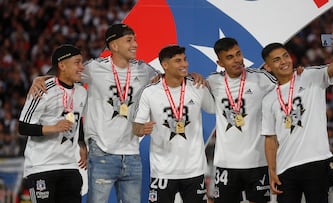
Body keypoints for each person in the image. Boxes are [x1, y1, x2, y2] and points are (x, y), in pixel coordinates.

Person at [29, 23, 205, 203]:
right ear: (113, 46)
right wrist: (41, 78)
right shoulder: (94, 68)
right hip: (101, 153)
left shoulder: (143, 70)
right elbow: (64, 74)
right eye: (129, 40)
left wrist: (192, 76)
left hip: (132, 154)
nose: (135, 44)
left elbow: (167, 77)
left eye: (135, 39)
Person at [261, 32, 333, 203]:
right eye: (276, 59)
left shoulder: (309, 76)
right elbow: (270, 139)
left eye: (285, 56)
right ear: (268, 67)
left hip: (316, 162)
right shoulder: (268, 99)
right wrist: (272, 171)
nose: (284, 61)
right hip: (285, 168)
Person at [132, 45, 214, 203]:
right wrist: (142, 129)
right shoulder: (149, 91)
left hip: (194, 170)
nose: (184, 64)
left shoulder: (197, 86)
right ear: (165, 65)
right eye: (178, 61)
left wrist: (206, 84)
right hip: (163, 171)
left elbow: (212, 108)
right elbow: (136, 128)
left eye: (184, 59)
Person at [206, 37, 275, 203]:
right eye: (229, 57)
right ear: (220, 62)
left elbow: (288, 86)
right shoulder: (213, 82)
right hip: (226, 163)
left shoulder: (261, 78)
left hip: (257, 162)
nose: (237, 59)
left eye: (238, 54)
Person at [18, 44, 88, 203]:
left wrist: (82, 143)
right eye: (77, 62)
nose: (82, 67)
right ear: (62, 65)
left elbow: (77, 118)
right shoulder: (42, 89)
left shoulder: (82, 92)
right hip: (41, 167)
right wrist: (53, 128)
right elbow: (23, 127)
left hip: (70, 166)